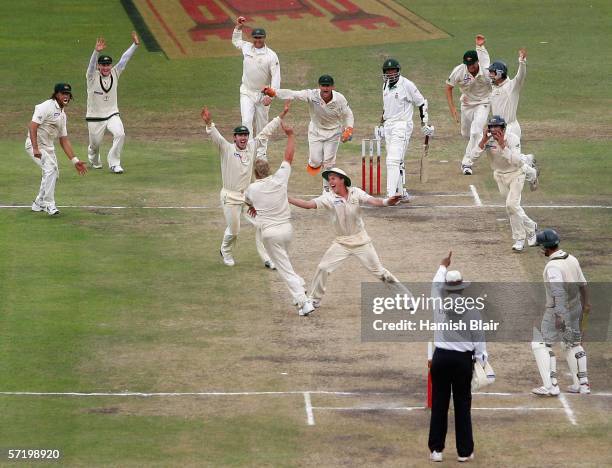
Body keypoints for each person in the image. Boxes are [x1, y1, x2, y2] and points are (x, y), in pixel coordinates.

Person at [289, 168, 405, 309]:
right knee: (323, 267)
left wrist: (387, 202)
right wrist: (287, 198)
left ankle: (405, 298)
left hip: (361, 240)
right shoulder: (328, 197)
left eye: (333, 178)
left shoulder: (355, 192)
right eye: (329, 179)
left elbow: (373, 201)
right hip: (342, 242)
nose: (330, 181)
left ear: (342, 179)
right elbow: (308, 205)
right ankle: (314, 299)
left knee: (380, 272)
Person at [201, 103, 289, 267]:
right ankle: (225, 251)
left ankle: (268, 258)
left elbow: (266, 132)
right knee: (234, 231)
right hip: (230, 197)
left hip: (248, 197)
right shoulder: (226, 148)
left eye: (245, 135)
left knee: (262, 224)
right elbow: (216, 137)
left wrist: (281, 115)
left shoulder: (252, 146)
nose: (243, 138)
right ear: (234, 138)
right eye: (239, 135)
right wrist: (209, 123)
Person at [244, 121, 315, 316]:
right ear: (268, 169)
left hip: (270, 234)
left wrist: (253, 208)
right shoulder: (280, 178)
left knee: (284, 269)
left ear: (255, 173)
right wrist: (291, 135)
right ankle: (300, 287)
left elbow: (248, 202)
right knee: (286, 264)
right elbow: (289, 156)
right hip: (287, 230)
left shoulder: (252, 188)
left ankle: (303, 301)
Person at [428, 251, 486, 463]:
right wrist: (481, 360)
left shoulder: (438, 302)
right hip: (462, 362)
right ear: (462, 287)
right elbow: (479, 338)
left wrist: (443, 265)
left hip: (441, 358)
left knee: (439, 404)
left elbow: (435, 284)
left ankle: (436, 450)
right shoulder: (472, 309)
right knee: (462, 405)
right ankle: (464, 452)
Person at [262, 74, 354, 190]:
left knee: (328, 163)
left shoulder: (340, 99)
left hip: (333, 132)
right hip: (315, 131)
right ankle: (315, 164)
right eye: (323, 85)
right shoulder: (312, 95)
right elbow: (293, 94)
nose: (325, 88)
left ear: (333, 87)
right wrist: (274, 92)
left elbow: (348, 114)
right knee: (315, 162)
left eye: (328, 86)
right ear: (319, 86)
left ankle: (326, 190)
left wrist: (349, 129)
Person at [531, 229, 591, 396]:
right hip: (576, 306)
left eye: (541, 247)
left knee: (540, 343)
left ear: (546, 248)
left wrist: (559, 316)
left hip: (559, 310)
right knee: (573, 343)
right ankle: (582, 385)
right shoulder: (572, 259)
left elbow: (558, 293)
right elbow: (583, 284)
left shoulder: (553, 267)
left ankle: (551, 386)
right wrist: (587, 304)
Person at [471, 115, 537, 251]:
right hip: (499, 176)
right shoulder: (487, 139)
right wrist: (483, 141)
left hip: (516, 174)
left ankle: (519, 239)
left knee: (511, 205)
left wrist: (503, 146)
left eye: (497, 127)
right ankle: (531, 227)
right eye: (492, 127)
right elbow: (472, 157)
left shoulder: (513, 139)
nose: (494, 130)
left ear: (503, 128)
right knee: (512, 208)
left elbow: (517, 162)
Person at [26, 83, 88, 215]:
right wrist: (36, 148)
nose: (66, 96)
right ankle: (50, 204)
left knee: (53, 175)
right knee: (51, 170)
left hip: (48, 147)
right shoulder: (45, 107)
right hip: (34, 145)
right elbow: (32, 126)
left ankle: (38, 203)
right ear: (56, 95)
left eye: (68, 94)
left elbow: (64, 140)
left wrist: (75, 161)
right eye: (63, 94)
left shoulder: (62, 115)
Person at [86, 32, 140, 174]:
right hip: (95, 117)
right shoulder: (91, 77)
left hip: (112, 114)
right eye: (103, 65)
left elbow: (124, 60)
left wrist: (135, 45)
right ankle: (93, 158)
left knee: (120, 134)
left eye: (108, 64)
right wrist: (96, 52)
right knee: (95, 145)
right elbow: (91, 66)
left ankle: (114, 163)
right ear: (99, 66)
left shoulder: (115, 72)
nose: (106, 67)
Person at [381, 58, 434, 199]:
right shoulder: (385, 85)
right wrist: (381, 124)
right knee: (397, 160)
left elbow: (422, 103)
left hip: (402, 125)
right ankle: (401, 193)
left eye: (393, 71)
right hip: (389, 126)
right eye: (388, 71)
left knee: (392, 160)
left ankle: (391, 196)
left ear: (398, 71)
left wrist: (424, 123)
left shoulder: (407, 85)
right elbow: (386, 107)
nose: (390, 74)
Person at [488, 48, 539, 190]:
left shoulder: (512, 87)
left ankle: (531, 173)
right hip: (499, 128)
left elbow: (520, 76)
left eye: (493, 73)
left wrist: (522, 62)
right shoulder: (494, 88)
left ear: (500, 73)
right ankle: (528, 159)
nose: (490, 75)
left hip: (511, 128)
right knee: (507, 157)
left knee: (512, 160)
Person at [232, 16, 281, 160]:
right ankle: (246, 152)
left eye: (260, 37)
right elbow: (236, 41)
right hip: (246, 92)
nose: (257, 40)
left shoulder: (271, 55)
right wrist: (238, 27)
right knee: (246, 122)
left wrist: (270, 96)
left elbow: (276, 77)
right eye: (255, 37)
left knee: (262, 126)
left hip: (262, 95)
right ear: (252, 38)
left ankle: (261, 154)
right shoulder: (247, 47)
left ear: (264, 38)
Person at [445, 35, 492, 175]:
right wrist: (453, 109)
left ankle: (467, 163)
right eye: (468, 64)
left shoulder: (485, 69)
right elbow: (448, 87)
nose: (470, 67)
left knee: (476, 131)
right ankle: (481, 142)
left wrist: (480, 45)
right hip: (467, 104)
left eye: (472, 64)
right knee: (466, 133)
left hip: (484, 102)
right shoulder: (459, 70)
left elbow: (483, 53)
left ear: (477, 62)